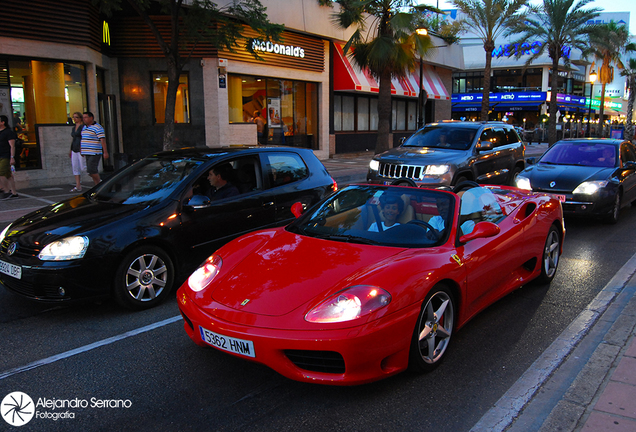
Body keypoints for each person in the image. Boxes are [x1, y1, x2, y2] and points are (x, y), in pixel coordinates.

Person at [81, 111, 109, 185]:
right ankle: (97, 183)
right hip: (87, 152)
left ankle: (100, 183)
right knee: (90, 171)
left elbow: (102, 140)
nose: (84, 119)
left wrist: (105, 152)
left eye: (86, 117)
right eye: (83, 118)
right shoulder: (84, 128)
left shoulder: (97, 127)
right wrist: (82, 149)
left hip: (94, 152)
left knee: (92, 170)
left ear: (91, 118)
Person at [0, 115, 19, 199]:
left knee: (1, 172)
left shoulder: (8, 132)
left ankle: (6, 191)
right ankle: (14, 193)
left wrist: (12, 157)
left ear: (2, 122)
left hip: (5, 155)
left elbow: (12, 146)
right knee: (8, 175)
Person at [69, 112, 85, 192]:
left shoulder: (83, 127)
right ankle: (78, 185)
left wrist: (82, 148)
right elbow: (73, 138)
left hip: (80, 148)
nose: (75, 119)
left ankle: (97, 180)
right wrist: (70, 150)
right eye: (73, 117)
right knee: (75, 166)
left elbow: (83, 138)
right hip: (74, 148)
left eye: (76, 117)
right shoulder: (74, 127)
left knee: (83, 167)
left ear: (80, 118)